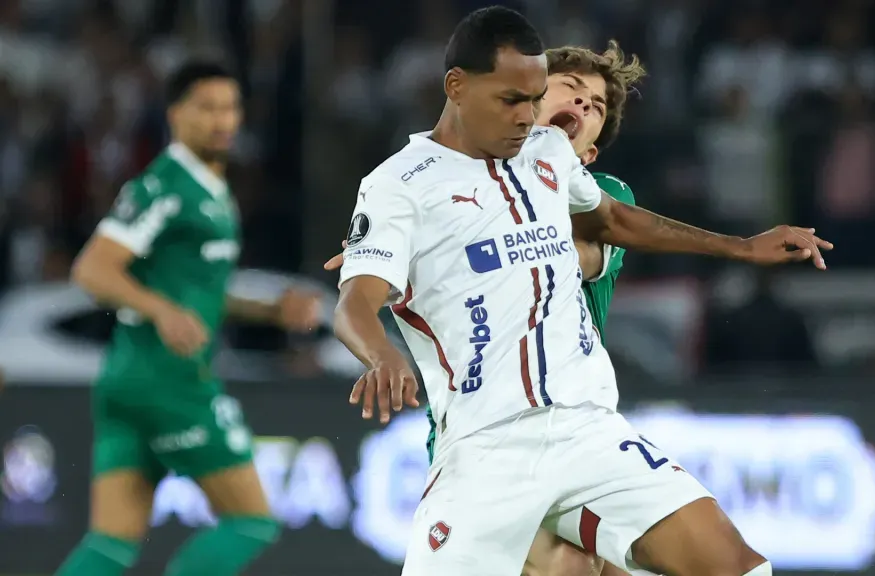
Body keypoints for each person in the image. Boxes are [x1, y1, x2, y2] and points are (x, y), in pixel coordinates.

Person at [334, 7, 831, 576]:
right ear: (456, 86)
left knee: (739, 569)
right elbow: (354, 302)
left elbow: (612, 220)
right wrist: (381, 353)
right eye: (511, 101)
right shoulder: (398, 185)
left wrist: (742, 248)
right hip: (487, 447)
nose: (527, 118)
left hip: (586, 427)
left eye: (534, 98)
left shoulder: (547, 153)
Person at [324, 39, 646, 576]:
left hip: (574, 427)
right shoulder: (443, 183)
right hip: (483, 433)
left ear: (586, 155)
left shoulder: (607, 196)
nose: (584, 107)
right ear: (523, 105)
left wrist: (434, 246)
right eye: (571, 90)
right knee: (572, 565)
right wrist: (405, 246)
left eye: (597, 107)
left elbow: (580, 254)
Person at [56, 60, 320, 576]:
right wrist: (161, 311)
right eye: (207, 108)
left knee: (112, 544)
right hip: (168, 381)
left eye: (230, 107)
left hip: (129, 379)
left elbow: (198, 294)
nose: (222, 120)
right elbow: (91, 269)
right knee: (251, 520)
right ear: (176, 114)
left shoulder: (212, 189)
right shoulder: (167, 185)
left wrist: (270, 310)